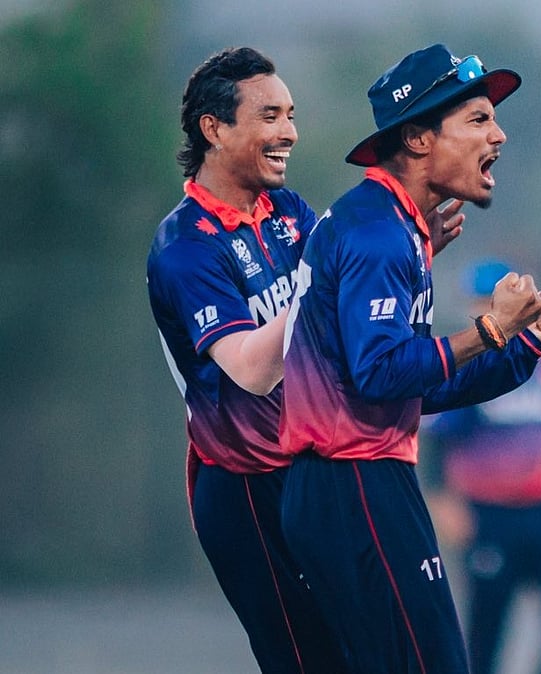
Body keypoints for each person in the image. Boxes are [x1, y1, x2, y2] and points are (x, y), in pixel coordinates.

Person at [277, 44, 541, 673]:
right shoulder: (379, 232)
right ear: (417, 138)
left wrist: (524, 346)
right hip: (354, 484)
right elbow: (382, 374)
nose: (499, 132)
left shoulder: (395, 226)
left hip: (352, 484)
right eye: (476, 119)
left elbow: (421, 388)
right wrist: (490, 328)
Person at [146, 46, 345, 673]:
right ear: (215, 128)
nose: (290, 132)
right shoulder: (185, 246)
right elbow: (254, 370)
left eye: (291, 114)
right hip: (246, 488)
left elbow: (343, 311)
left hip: (314, 468)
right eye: (270, 115)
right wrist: (332, 282)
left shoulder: (288, 213)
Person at [422, 258, 541, 674]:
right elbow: (436, 441)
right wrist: (442, 504)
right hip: (487, 514)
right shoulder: (464, 362)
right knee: (487, 629)